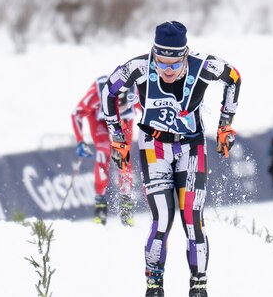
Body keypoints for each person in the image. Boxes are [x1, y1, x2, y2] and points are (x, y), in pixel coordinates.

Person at [102, 21, 241, 297]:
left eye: (173, 64)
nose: (166, 70)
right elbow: (109, 91)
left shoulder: (204, 66)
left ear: (184, 56)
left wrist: (226, 123)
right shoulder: (140, 68)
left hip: (191, 146)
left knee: (192, 218)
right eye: (161, 61)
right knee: (162, 219)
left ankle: (198, 287)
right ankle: (154, 286)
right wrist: (117, 137)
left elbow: (234, 78)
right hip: (154, 145)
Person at [72, 75, 138, 226]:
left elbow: (152, 108)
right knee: (103, 153)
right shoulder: (96, 94)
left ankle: (126, 205)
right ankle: (100, 205)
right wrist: (80, 141)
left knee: (122, 156)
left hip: (124, 121)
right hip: (99, 119)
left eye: (123, 108)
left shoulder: (135, 93)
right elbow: (76, 113)